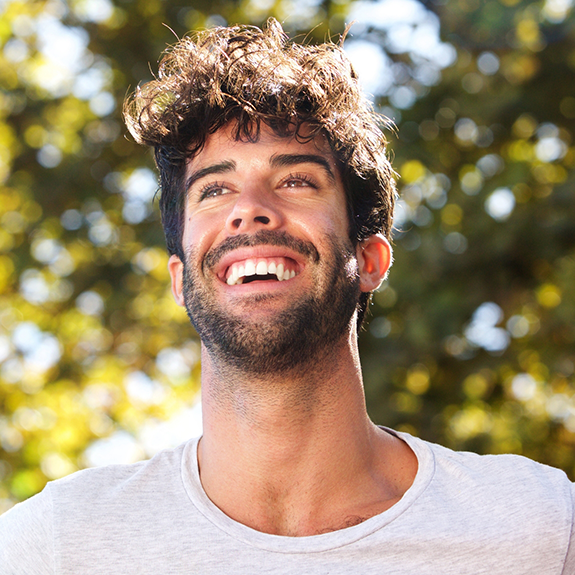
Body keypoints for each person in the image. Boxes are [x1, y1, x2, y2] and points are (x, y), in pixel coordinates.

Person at [1, 19, 574, 574]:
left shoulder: (542, 530)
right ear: (179, 279)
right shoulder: (56, 546)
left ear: (370, 260)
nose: (249, 207)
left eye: (296, 180)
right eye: (214, 188)